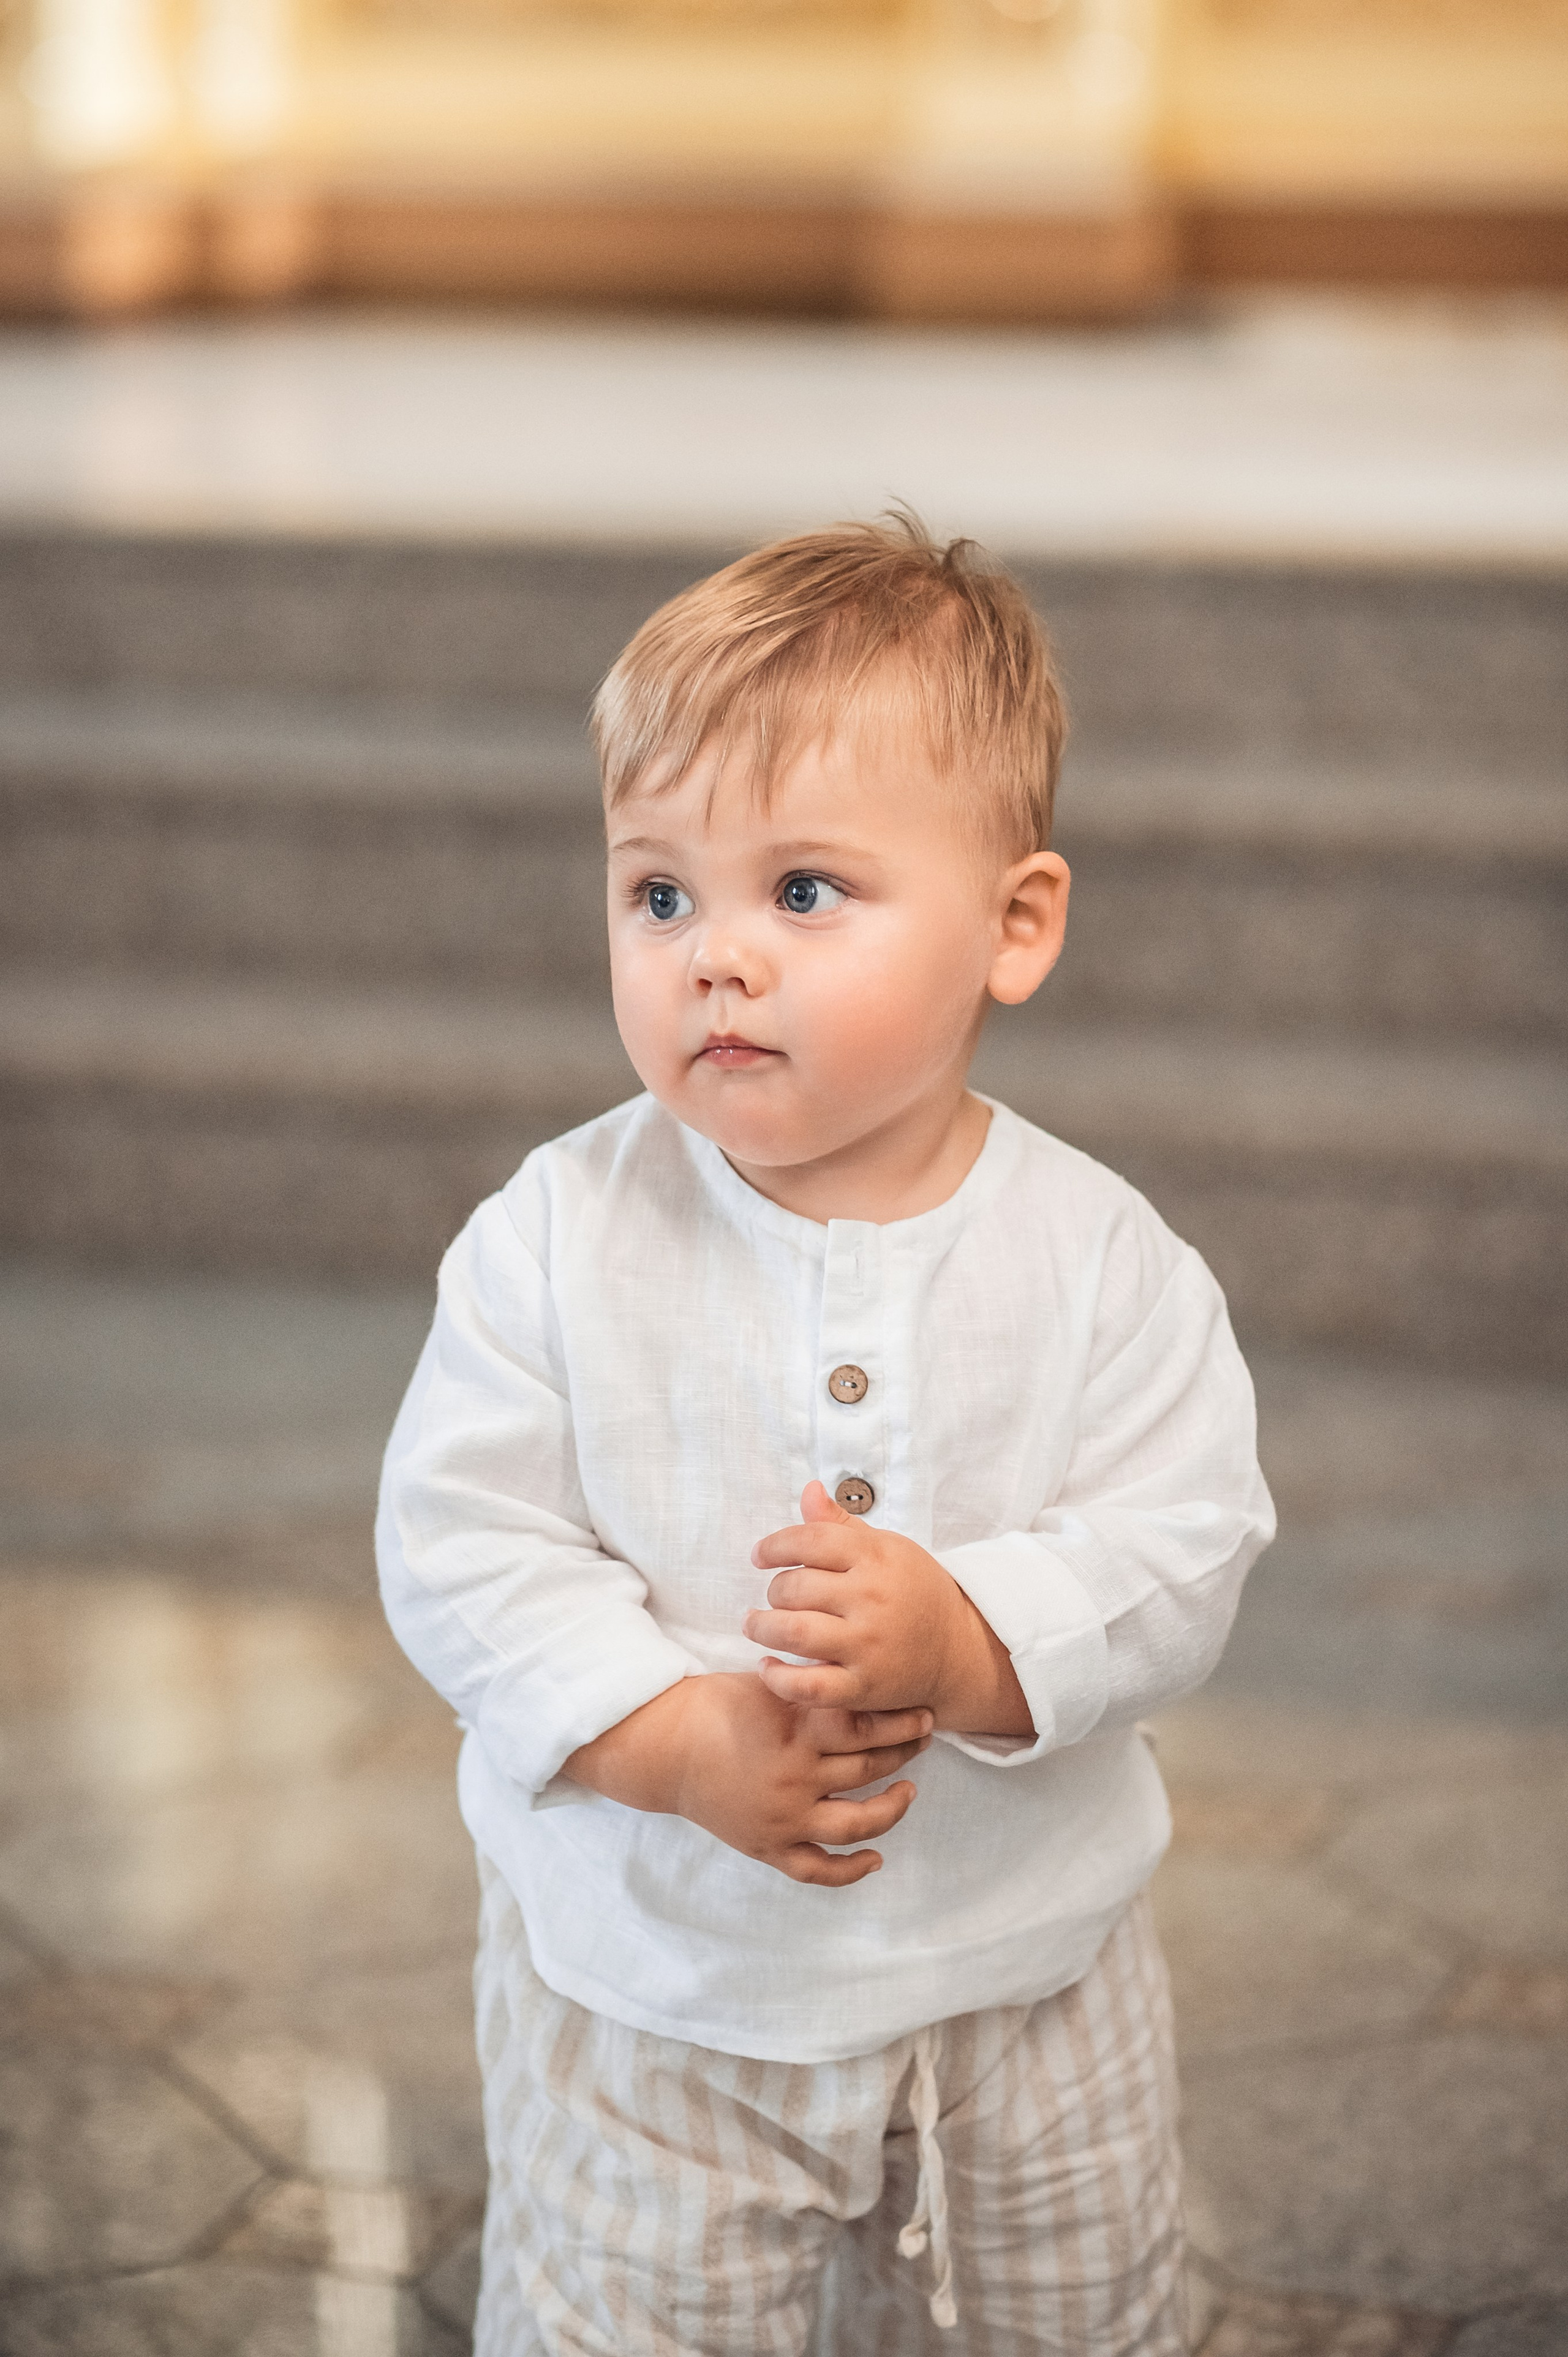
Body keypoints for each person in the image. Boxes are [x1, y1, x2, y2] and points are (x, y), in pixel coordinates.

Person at [377, 513, 1275, 2356]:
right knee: (635, 2320)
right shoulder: (555, 1236)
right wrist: (670, 1736)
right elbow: (462, 1544)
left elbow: (1184, 1539)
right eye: (658, 895)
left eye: (802, 891)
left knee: (1068, 2317)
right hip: (659, 1992)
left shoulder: (1100, 1258)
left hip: (1029, 1978)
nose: (715, 957)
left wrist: (970, 1635)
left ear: (1014, 925)